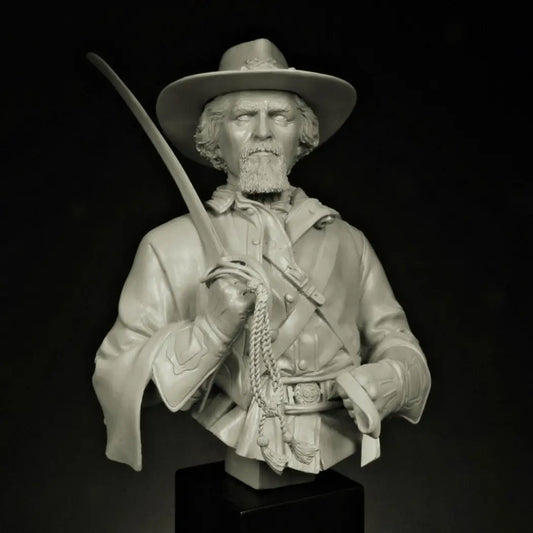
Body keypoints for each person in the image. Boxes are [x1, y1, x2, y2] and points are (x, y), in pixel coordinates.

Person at [92, 38, 431, 484]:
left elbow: (397, 340)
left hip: (335, 434)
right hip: (242, 429)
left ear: (302, 134)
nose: (263, 132)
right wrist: (210, 331)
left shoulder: (349, 242)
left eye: (281, 117)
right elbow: (118, 370)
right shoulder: (169, 246)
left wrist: (392, 378)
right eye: (243, 117)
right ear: (215, 137)